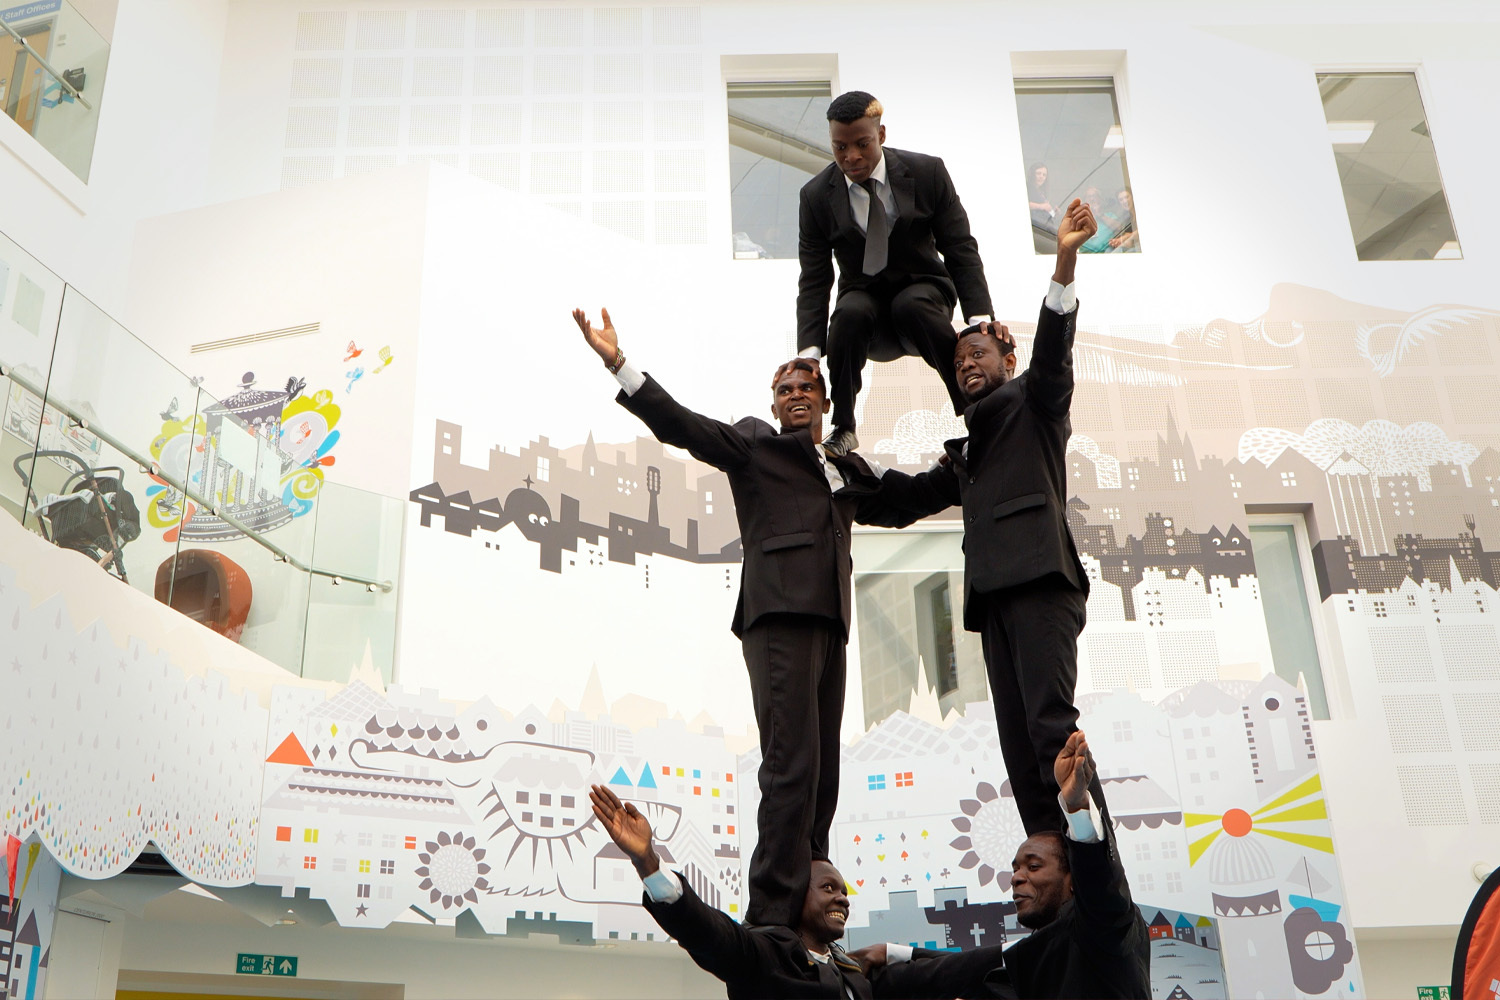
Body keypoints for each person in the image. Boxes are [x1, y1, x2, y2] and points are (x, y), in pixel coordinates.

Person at [569, 308, 913, 930]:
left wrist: (973, 465)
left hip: (830, 624)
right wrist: (620, 364)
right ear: (776, 405)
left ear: (826, 399)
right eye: (786, 390)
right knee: (791, 765)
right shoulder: (755, 446)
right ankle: (773, 915)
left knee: (822, 771)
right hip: (778, 615)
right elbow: (682, 426)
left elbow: (907, 499)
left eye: (808, 387)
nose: (797, 395)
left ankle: (810, 889)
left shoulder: (845, 468)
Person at [877, 198, 1107, 835]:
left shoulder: (1035, 406)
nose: (967, 363)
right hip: (994, 602)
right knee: (1020, 752)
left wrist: (1063, 259)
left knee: (1053, 736)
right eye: (958, 361)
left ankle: (1092, 863)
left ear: (1007, 360)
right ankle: (1050, 858)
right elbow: (906, 498)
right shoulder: (972, 450)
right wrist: (839, 476)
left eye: (978, 353)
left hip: (1040, 587)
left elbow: (1056, 349)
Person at [588, 784, 1013, 999]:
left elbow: (954, 971)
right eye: (829, 888)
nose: (843, 898)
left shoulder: (859, 976)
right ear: (795, 893)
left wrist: (891, 952)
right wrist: (648, 862)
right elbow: (708, 933)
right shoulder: (766, 959)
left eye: (845, 891)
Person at [860, 733, 1151, 998]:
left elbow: (1101, 883)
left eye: (1033, 867)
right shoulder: (1044, 947)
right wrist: (892, 954)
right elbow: (970, 967)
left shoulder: (1106, 925)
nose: (1016, 879)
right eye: (1015, 869)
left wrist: (1075, 807)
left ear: (1074, 880)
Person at [795, 91, 994, 456]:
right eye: (839, 147)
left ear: (881, 135)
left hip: (924, 296)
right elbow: (814, 279)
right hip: (866, 310)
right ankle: (843, 427)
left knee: (913, 305)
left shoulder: (927, 173)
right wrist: (809, 353)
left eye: (862, 144)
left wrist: (979, 319)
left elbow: (960, 247)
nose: (851, 157)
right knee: (848, 313)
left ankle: (975, 413)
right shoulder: (816, 197)